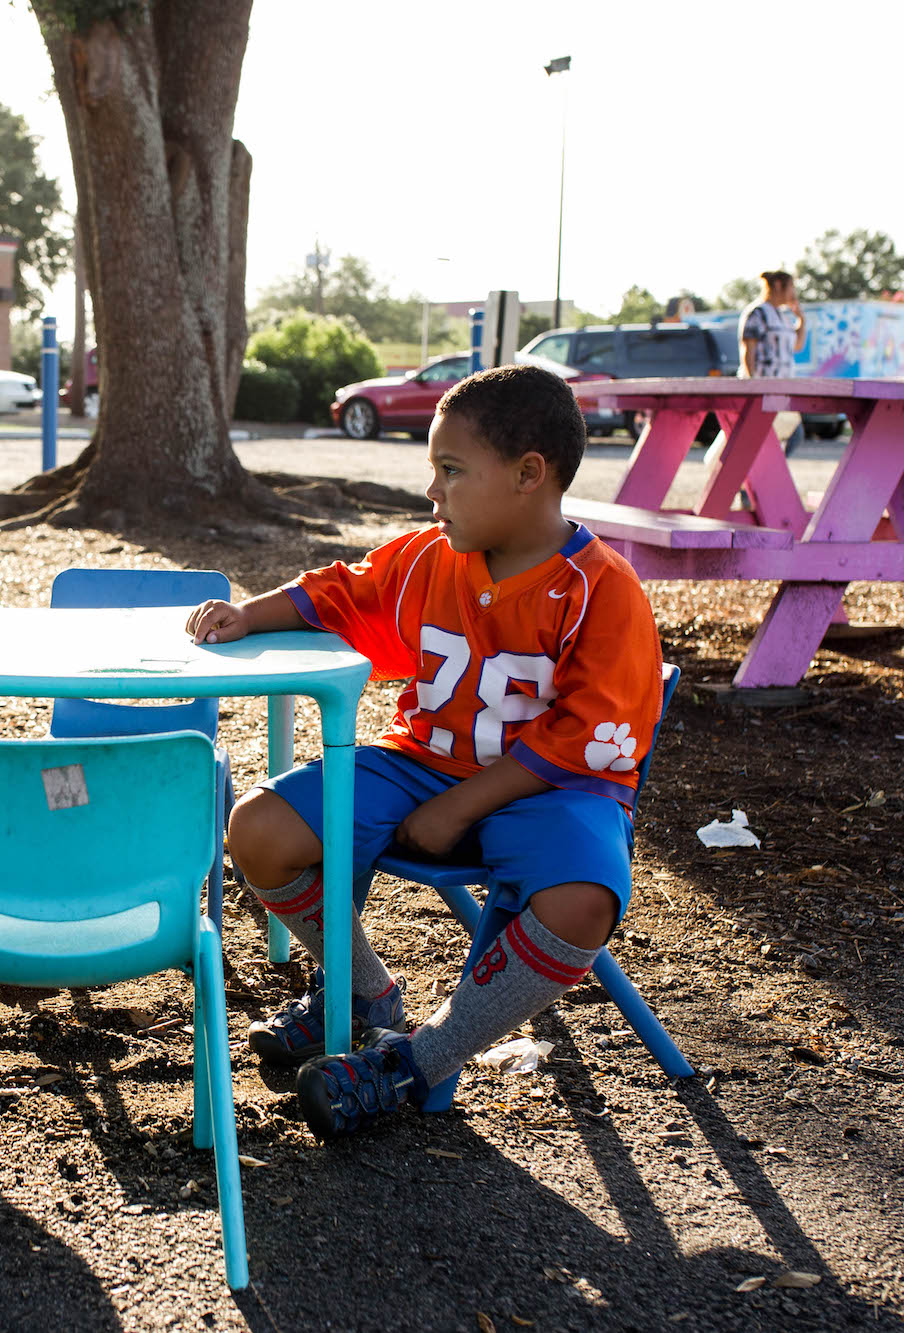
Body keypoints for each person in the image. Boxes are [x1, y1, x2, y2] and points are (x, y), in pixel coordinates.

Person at [185, 364, 663, 1139]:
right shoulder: (429, 557)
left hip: (554, 789)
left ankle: (413, 1059)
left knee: (585, 898)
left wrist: (462, 806)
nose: (432, 493)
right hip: (421, 762)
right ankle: (364, 993)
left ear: (527, 474)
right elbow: (343, 590)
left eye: (450, 470)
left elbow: (591, 731)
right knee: (258, 829)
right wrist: (249, 612)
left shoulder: (602, 589)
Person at [738, 269, 805, 452]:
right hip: (764, 387)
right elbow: (748, 349)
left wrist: (801, 320)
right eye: (791, 287)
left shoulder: (782, 316)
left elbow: (797, 346)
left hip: (783, 388)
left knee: (791, 434)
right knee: (772, 437)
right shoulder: (757, 313)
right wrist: (752, 384)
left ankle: (764, 476)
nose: (794, 292)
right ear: (777, 286)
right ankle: (760, 476)